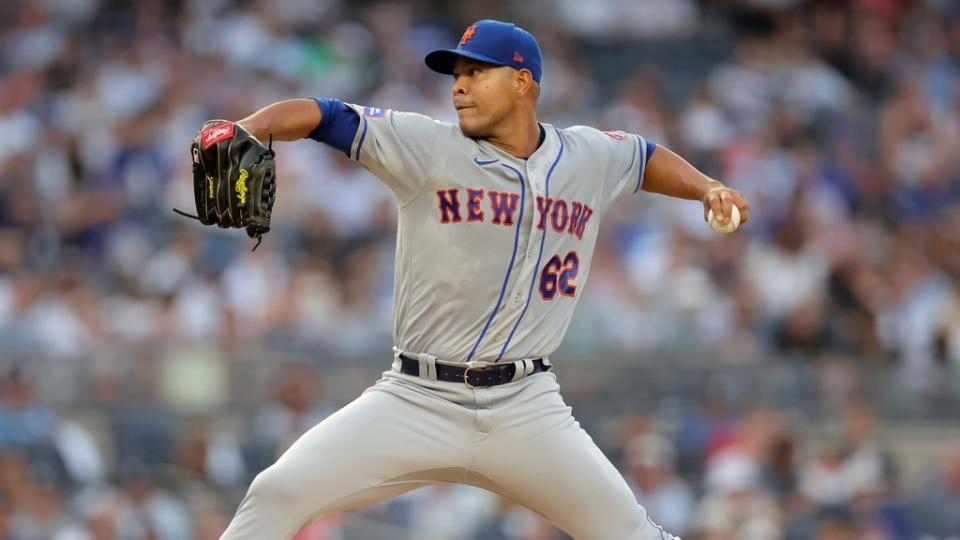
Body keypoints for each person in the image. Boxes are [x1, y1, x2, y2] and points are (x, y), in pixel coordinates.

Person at [218, 19, 749, 540]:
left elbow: (643, 157)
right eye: (456, 76)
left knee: (632, 533)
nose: (459, 87)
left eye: (477, 72)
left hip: (527, 408)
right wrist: (254, 126)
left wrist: (706, 188)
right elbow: (325, 115)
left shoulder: (587, 155)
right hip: (415, 399)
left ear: (522, 82)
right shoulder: (427, 146)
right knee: (276, 493)